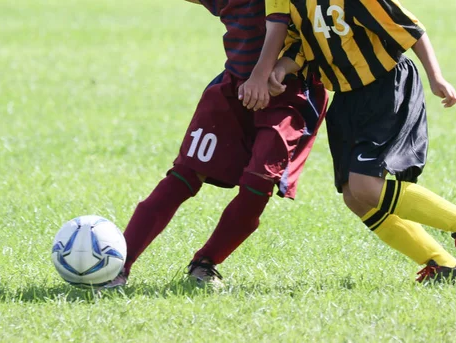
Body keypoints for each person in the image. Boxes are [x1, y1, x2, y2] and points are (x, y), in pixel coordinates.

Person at [263, 0, 456, 283]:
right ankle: (445, 265)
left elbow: (411, 29)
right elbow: (299, 46)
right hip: (346, 100)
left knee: (367, 186)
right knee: (355, 197)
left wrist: (436, 77)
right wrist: (280, 68)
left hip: (387, 87)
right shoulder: (295, 3)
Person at [102, 0, 328, 289]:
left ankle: (205, 263)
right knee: (183, 175)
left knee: (257, 186)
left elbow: (285, 24)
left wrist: (264, 73)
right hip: (233, 87)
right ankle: (118, 266)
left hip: (289, 93)